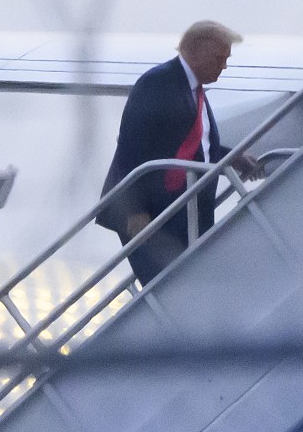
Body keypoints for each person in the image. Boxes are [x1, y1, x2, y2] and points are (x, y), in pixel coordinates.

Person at [97, 20, 261, 286]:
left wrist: (234, 158)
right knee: (170, 289)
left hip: (182, 212)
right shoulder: (157, 83)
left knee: (190, 287)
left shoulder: (192, 89)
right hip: (151, 215)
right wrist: (136, 210)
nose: (224, 67)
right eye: (219, 59)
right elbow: (131, 145)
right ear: (195, 52)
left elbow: (194, 146)